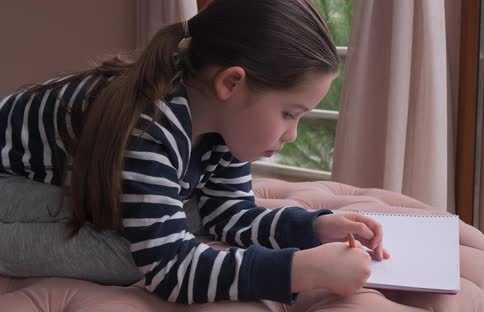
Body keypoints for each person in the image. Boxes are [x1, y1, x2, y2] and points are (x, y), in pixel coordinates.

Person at [0, 0, 390, 307]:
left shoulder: (225, 121)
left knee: (191, 215)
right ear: (232, 83)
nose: (291, 134)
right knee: (129, 255)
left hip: (56, 175)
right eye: (289, 113)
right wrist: (296, 271)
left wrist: (312, 229)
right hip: (10, 177)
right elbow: (168, 269)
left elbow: (227, 212)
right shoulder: (153, 124)